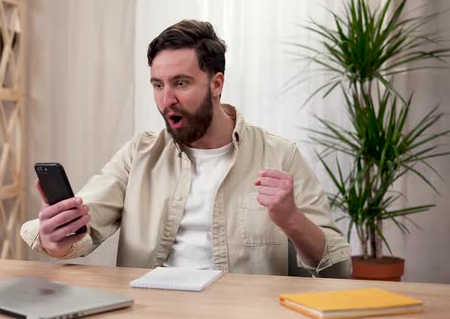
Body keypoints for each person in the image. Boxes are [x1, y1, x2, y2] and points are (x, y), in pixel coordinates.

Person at [21, 19, 352, 277]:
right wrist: (56, 237)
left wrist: (292, 219)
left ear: (216, 84)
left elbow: (338, 267)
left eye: (181, 83)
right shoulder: (140, 153)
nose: (167, 101)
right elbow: (84, 228)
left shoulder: (280, 155)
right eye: (157, 85)